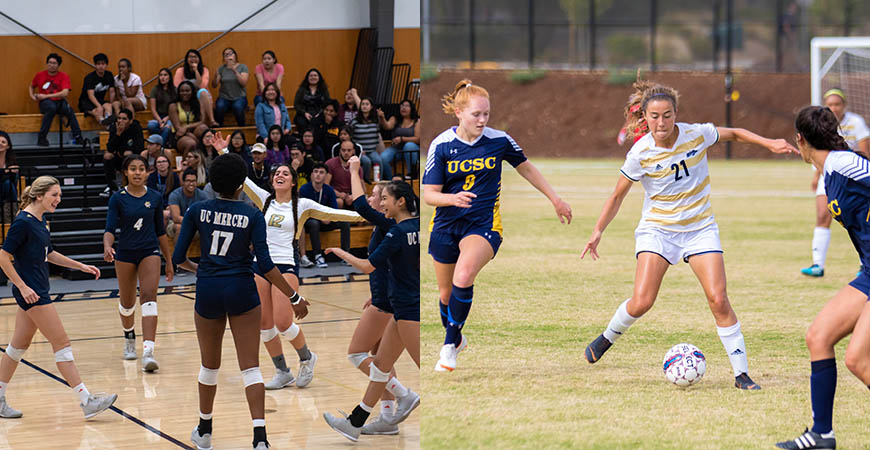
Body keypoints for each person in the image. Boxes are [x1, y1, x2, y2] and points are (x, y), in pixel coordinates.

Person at [580, 81, 796, 390]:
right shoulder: (640, 153)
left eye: (667, 115)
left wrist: (769, 143)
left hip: (699, 229)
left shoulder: (697, 133)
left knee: (718, 299)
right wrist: (597, 230)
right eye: (654, 116)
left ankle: (741, 374)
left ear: (676, 114)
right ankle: (606, 338)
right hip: (659, 231)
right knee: (642, 301)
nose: (661, 122)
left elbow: (734, 132)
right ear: (645, 117)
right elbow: (617, 196)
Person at [424, 79, 572, 372]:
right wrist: (452, 199)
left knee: (464, 276)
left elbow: (526, 167)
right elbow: (429, 195)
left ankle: (448, 348)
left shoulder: (499, 140)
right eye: (476, 114)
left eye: (486, 114)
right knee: (445, 295)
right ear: (458, 112)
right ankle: (456, 337)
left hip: (483, 225)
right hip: (444, 225)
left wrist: (554, 198)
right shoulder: (441, 145)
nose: (482, 120)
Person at [173, 153, 304, 450]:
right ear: (240, 186)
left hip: (208, 288)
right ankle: (260, 439)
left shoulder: (196, 209)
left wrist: (202, 269)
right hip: (242, 288)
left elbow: (179, 258)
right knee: (251, 368)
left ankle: (204, 431)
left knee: (209, 366)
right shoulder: (252, 214)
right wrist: (293, 295)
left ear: (213, 183)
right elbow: (267, 265)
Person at [774, 106, 870, 450]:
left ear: (800, 139)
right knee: (819, 336)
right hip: (868, 272)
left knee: (858, 360)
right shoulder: (829, 170)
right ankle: (821, 435)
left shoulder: (845, 163)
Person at [237, 155, 365, 391]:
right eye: (276, 173)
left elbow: (333, 213)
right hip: (259, 266)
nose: (279, 176)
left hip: (285, 265)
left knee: (283, 322)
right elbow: (243, 180)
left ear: (294, 182)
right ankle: (282, 372)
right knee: (265, 326)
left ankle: (307, 358)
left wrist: (368, 216)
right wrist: (224, 151)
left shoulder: (302, 204)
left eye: (285, 173)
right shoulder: (265, 199)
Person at [0, 176, 117, 420]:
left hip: (36, 289)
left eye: (60, 195)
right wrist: (22, 287)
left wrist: (81, 266)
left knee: (16, 348)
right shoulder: (22, 222)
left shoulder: (41, 221)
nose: (59, 199)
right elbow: (2, 256)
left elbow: (49, 254)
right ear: (39, 195)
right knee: (62, 343)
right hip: (33, 293)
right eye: (55, 195)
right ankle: (87, 401)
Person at [322, 180, 421, 441]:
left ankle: (407, 398)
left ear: (400, 201)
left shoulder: (397, 232)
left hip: (408, 309)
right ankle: (355, 423)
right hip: (400, 306)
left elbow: (368, 266)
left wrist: (342, 253)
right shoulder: (419, 226)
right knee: (379, 367)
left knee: (427, 365)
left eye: (384, 197)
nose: (382, 202)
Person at [103, 155, 174, 370]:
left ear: (147, 172)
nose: (137, 172)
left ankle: (149, 352)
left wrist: (169, 261)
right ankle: (129, 339)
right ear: (125, 172)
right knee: (127, 303)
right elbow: (109, 229)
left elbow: (161, 232)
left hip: (149, 250)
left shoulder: (154, 197)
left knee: (149, 297)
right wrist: (107, 246)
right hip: (125, 253)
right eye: (133, 169)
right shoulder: (117, 198)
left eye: (141, 169)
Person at [800, 88, 870, 277]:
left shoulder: (847, 157)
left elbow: (865, 156)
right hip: (830, 174)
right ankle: (818, 264)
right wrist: (816, 177)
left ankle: (864, 266)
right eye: (829, 104)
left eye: (837, 104)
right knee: (824, 215)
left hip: (850, 174)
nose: (833, 108)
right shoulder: (829, 161)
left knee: (859, 215)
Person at [300, 162, 350, 268]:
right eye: (316, 172)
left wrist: (328, 217)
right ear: (312, 175)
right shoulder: (304, 189)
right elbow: (303, 211)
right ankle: (318, 256)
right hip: (310, 221)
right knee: (313, 223)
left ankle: (346, 255)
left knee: (345, 222)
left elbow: (334, 209)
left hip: (326, 219)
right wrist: (321, 217)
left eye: (321, 172)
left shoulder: (329, 189)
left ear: (326, 176)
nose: (318, 174)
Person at [29, 53, 82, 146]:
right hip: (46, 103)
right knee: (51, 108)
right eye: (49, 62)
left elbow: (65, 93)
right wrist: (33, 97)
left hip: (58, 101)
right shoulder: (40, 75)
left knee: (69, 110)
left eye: (54, 63)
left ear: (58, 65)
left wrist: (45, 96)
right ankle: (42, 138)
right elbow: (31, 86)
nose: (51, 65)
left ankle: (78, 136)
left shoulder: (63, 76)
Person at [102, 109, 145, 197]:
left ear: (130, 121)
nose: (120, 121)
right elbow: (110, 148)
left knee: (128, 154)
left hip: (132, 158)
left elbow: (139, 147)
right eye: (119, 118)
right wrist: (118, 134)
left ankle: (129, 184)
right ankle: (111, 186)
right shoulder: (114, 128)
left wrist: (126, 150)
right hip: (118, 157)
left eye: (124, 119)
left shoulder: (136, 127)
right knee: (107, 156)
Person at [174, 49, 218, 128]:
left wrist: (196, 71)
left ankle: (212, 120)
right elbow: (177, 86)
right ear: (187, 59)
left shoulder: (204, 70)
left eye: (195, 57)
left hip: (199, 95)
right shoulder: (180, 70)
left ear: (199, 59)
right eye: (190, 57)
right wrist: (188, 90)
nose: (193, 59)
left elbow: (202, 85)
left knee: (203, 91)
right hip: (185, 95)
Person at [379, 99, 421, 179]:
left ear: (411, 108)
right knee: (383, 158)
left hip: (412, 149)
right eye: (402, 106)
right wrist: (382, 118)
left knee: (409, 145)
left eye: (406, 106)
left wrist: (402, 139)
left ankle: (412, 173)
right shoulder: (395, 118)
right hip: (396, 149)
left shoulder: (417, 121)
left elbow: (418, 139)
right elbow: (387, 126)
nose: (403, 108)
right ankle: (390, 179)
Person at [212, 47, 249, 126]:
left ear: (235, 56)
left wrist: (234, 70)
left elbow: (243, 83)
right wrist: (215, 76)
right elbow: (214, 85)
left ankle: (241, 129)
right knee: (219, 107)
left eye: (230, 53)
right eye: (226, 55)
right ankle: (218, 129)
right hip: (224, 97)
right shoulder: (221, 69)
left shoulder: (243, 67)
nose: (229, 56)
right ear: (224, 58)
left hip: (239, 97)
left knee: (238, 107)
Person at [168, 80, 207, 155]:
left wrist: (186, 126)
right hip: (179, 135)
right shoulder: (173, 106)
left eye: (187, 91)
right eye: (182, 91)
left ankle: (208, 157)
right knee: (191, 144)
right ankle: (185, 165)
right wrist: (192, 136)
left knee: (203, 127)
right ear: (178, 93)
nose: (184, 93)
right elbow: (178, 128)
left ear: (192, 92)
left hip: (193, 130)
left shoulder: (198, 103)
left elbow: (202, 121)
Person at [351, 97, 385, 181]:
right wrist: (357, 149)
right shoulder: (355, 121)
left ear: (371, 107)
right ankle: (366, 181)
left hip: (372, 150)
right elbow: (350, 136)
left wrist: (381, 117)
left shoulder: (376, 120)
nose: (364, 106)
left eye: (367, 104)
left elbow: (382, 129)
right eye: (362, 104)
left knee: (379, 161)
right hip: (360, 151)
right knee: (366, 162)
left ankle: (378, 181)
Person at [167, 168, 208, 237]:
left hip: (196, 224)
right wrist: (193, 223)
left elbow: (206, 215)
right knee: (179, 227)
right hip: (176, 223)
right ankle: (178, 248)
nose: (191, 183)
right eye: (188, 181)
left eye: (193, 181)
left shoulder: (202, 195)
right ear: (183, 182)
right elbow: (176, 218)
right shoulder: (175, 195)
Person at [78, 53, 115, 125]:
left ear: (106, 65)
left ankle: (108, 120)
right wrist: (99, 106)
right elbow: (90, 95)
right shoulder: (89, 78)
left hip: (100, 100)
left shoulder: (109, 75)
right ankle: (104, 123)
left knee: (109, 106)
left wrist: (111, 102)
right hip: (86, 102)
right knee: (98, 111)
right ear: (95, 65)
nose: (101, 66)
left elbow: (112, 91)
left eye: (103, 64)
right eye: (98, 64)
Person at [325, 140, 365, 209]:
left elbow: (362, 187)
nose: (346, 153)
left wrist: (352, 196)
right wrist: (338, 194)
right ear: (340, 151)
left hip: (350, 196)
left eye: (349, 150)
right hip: (334, 195)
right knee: (339, 202)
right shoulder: (330, 163)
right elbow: (326, 185)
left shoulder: (357, 166)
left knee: (365, 201)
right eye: (343, 150)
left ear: (353, 151)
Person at [147, 68, 176, 146]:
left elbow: (176, 109)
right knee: (151, 125)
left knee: (168, 127)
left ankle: (160, 146)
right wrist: (160, 121)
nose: (162, 77)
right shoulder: (155, 89)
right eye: (161, 75)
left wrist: (166, 119)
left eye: (165, 75)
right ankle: (165, 141)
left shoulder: (175, 90)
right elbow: (153, 109)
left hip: (171, 117)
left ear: (170, 77)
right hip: (158, 116)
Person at [0, 131, 20, 223]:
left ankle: (10, 213)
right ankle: (12, 214)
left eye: (3, 142)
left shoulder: (11, 161)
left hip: (7, 194)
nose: (0, 144)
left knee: (8, 184)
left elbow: (14, 183)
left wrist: (13, 172)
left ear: (8, 146)